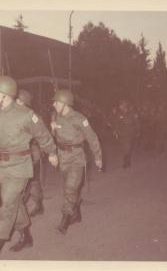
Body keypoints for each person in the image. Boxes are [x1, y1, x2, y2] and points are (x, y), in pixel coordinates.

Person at [0, 76, 58, 259]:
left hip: (19, 168)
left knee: (6, 206)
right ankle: (26, 236)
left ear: (3, 95)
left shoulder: (25, 114)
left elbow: (43, 135)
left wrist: (52, 153)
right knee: (14, 203)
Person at [51, 89, 102, 235]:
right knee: (70, 188)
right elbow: (56, 137)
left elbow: (92, 138)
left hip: (76, 157)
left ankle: (65, 219)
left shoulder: (80, 119)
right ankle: (77, 213)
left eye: (56, 102)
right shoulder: (55, 116)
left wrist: (98, 157)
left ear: (64, 103)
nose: (54, 104)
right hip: (62, 157)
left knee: (70, 188)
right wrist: (53, 130)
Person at [9, 90, 45, 253]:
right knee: (33, 181)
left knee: (22, 190)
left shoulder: (30, 117)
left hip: (30, 154)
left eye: (18, 101)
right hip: (21, 157)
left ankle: (24, 232)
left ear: (23, 102)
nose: (15, 103)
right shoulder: (16, 114)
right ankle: (38, 204)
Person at [110, 99, 140, 168]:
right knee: (125, 148)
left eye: (121, 105)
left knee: (127, 148)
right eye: (120, 105)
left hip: (130, 133)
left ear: (125, 105)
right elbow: (115, 122)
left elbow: (137, 123)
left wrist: (138, 131)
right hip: (122, 133)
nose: (120, 106)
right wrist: (115, 131)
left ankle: (126, 162)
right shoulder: (119, 114)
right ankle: (127, 159)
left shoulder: (132, 113)